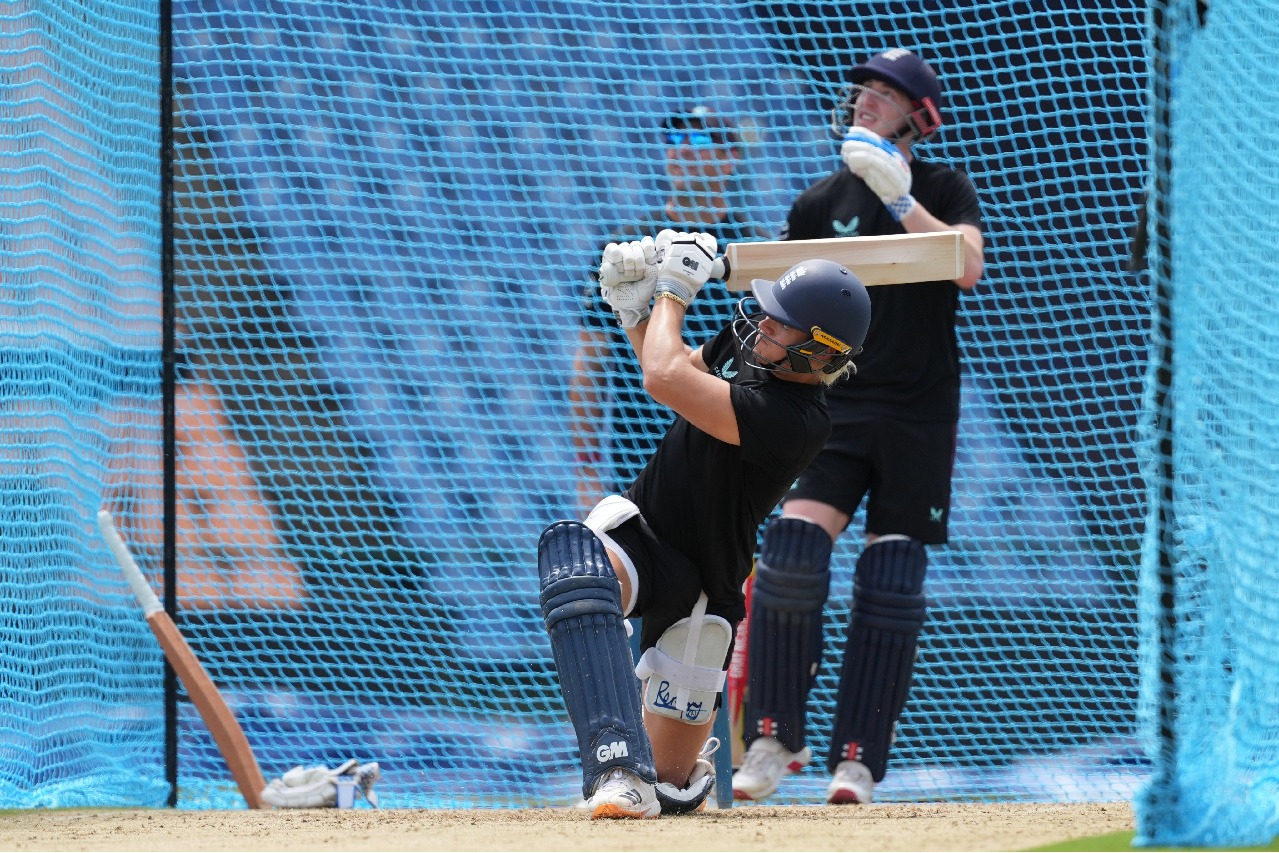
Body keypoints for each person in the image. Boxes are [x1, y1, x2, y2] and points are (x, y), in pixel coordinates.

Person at [538, 230, 872, 819]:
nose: (763, 324)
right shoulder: (749, 341)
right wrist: (635, 312)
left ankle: (663, 779)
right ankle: (616, 764)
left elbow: (662, 378)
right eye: (769, 312)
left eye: (782, 324)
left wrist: (672, 289)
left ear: (820, 355)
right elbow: (671, 368)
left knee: (668, 788)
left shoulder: (798, 420)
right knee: (577, 568)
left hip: (705, 586)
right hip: (646, 534)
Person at [730, 47, 985, 805]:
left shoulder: (943, 187)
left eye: (886, 91)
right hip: (834, 406)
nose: (867, 98)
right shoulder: (819, 200)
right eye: (863, 87)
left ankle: (858, 760)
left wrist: (900, 199)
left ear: (918, 116)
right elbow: (780, 300)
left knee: (891, 578)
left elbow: (967, 267)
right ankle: (773, 736)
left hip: (918, 413)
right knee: (790, 552)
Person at [570, 106, 770, 513]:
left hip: (736, 463)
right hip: (641, 460)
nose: (682, 150)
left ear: (730, 158)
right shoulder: (626, 248)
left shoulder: (756, 253)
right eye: (674, 139)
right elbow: (591, 362)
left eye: (699, 139)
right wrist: (586, 468)